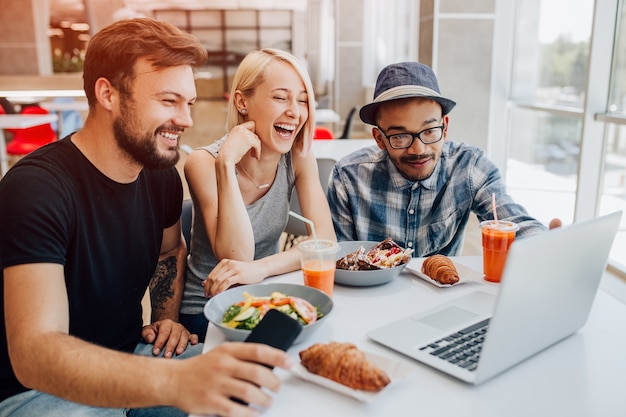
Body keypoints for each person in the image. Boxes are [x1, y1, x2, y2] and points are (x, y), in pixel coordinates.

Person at [0, 18, 292, 417]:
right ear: (107, 94)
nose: (187, 120)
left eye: (188, 103)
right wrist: (176, 382)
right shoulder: (36, 188)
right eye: (169, 101)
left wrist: (166, 317)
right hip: (38, 392)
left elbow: (169, 252)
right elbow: (35, 353)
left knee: (265, 394)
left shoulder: (160, 177)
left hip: (134, 359)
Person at [327, 62, 561, 256]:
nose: (418, 149)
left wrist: (544, 246)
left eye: (429, 131)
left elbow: (513, 219)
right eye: (400, 136)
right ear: (379, 138)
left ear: (445, 127)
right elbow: (340, 261)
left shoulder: (469, 167)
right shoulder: (348, 177)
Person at [180, 49, 335, 339]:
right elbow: (236, 255)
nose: (295, 112)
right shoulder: (203, 163)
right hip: (206, 309)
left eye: (302, 100)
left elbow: (325, 241)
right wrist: (226, 164)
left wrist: (260, 271)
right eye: (280, 97)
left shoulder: (299, 156)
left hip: (265, 299)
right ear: (242, 102)